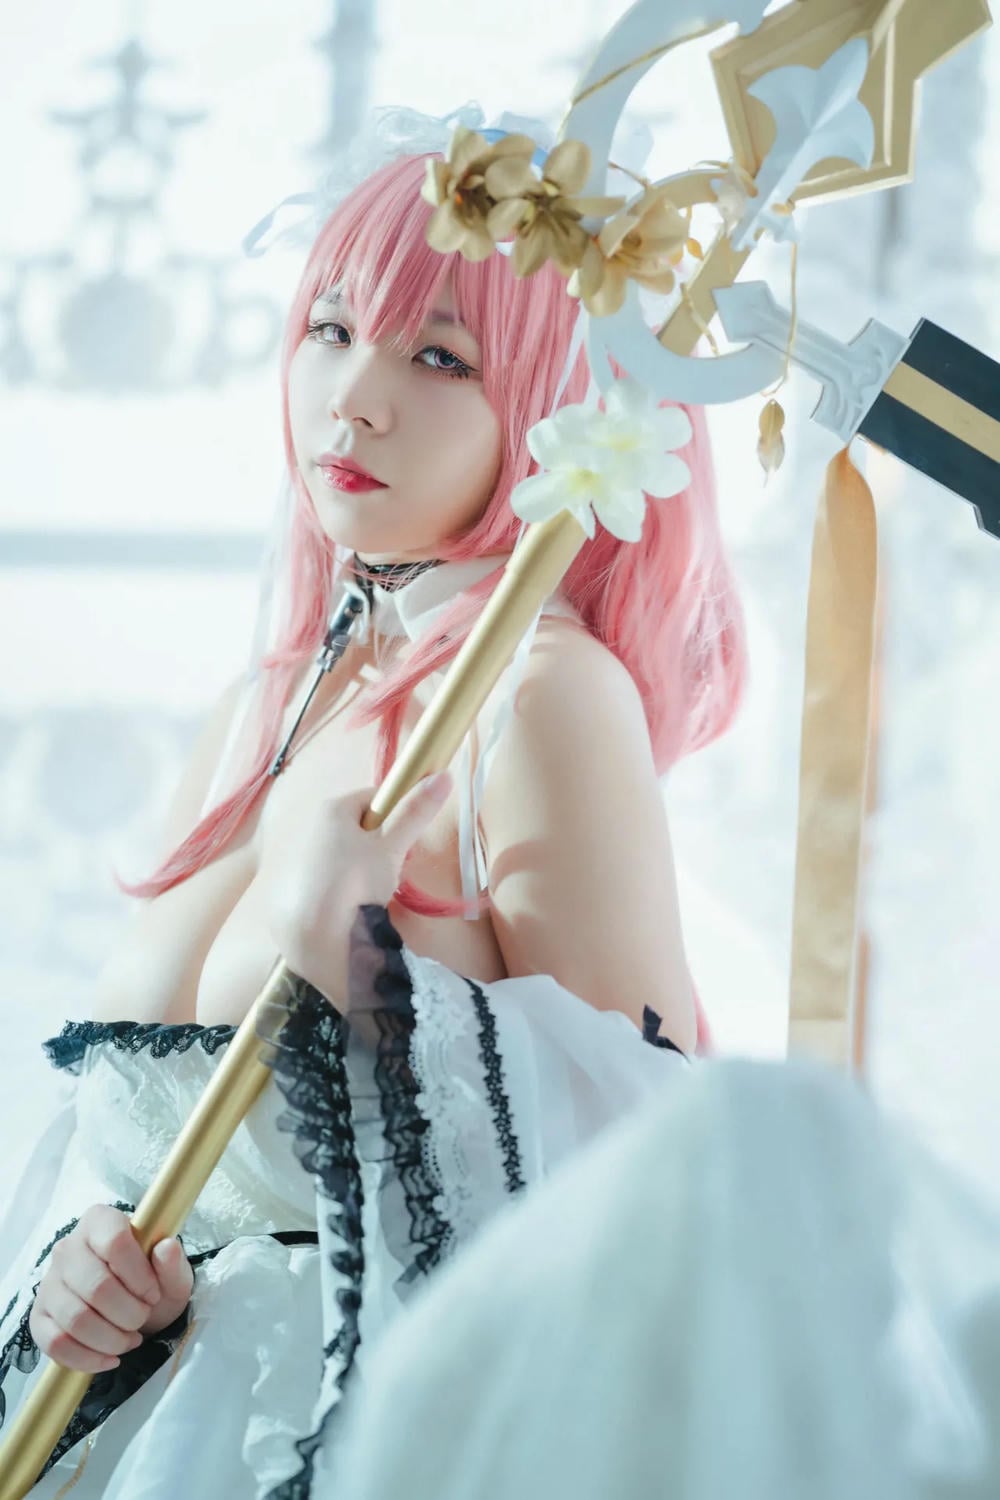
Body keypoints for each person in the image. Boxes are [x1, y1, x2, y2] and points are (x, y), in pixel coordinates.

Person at [0, 121, 745, 1498]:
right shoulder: (269, 703)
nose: (352, 401)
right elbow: (145, 1162)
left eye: (440, 358)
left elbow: (650, 1169)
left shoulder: (540, 696)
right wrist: (91, 1274)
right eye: (331, 331)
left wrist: (353, 960)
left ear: (559, 409)